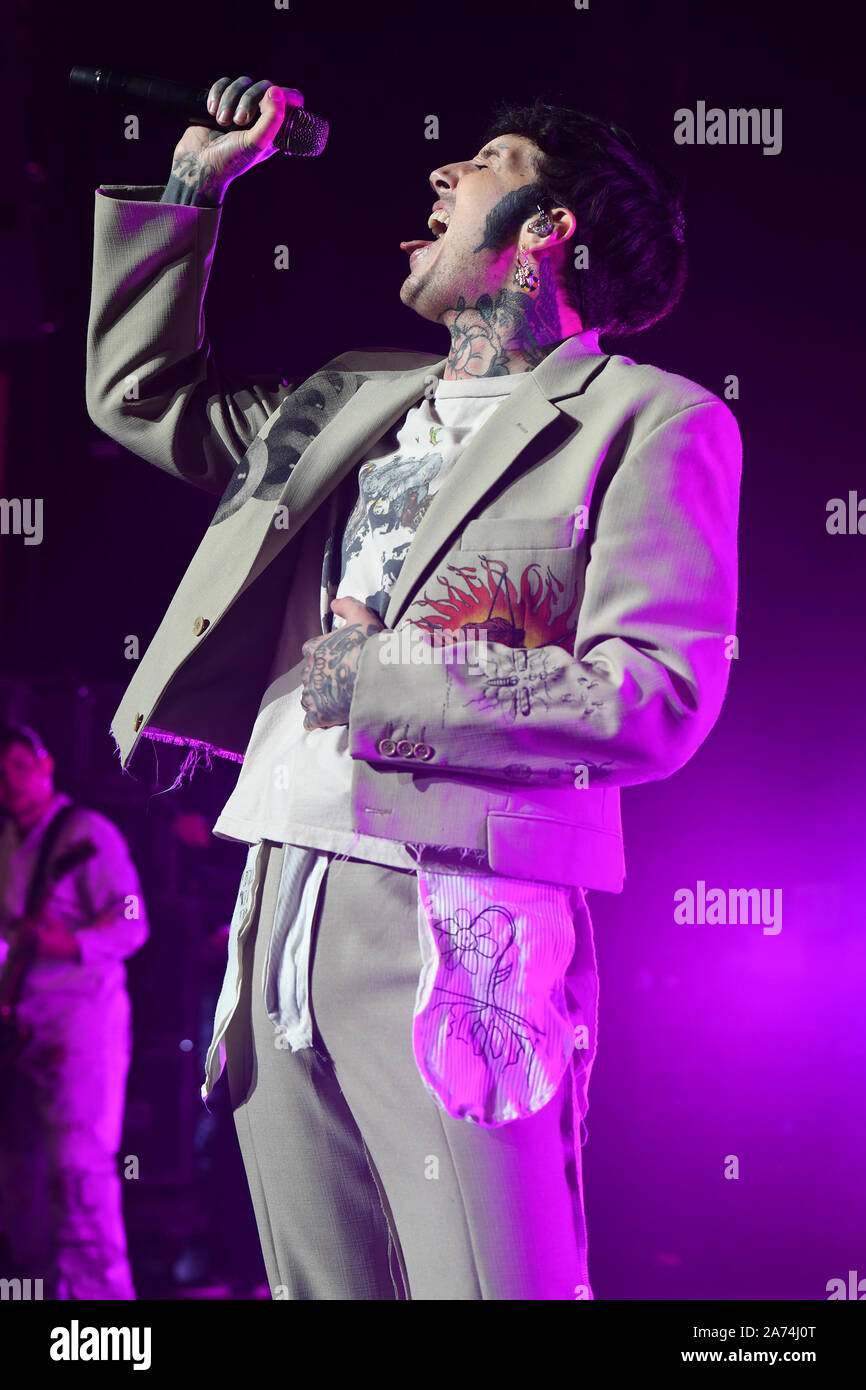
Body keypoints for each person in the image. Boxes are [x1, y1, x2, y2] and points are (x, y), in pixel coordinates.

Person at [85, 79, 742, 1299]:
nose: (441, 176)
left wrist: (376, 678)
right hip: (277, 887)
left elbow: (650, 696)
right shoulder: (349, 399)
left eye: (483, 162)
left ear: (546, 229)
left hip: (462, 912)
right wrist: (191, 191)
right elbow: (142, 399)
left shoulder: (651, 421)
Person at [0, 723, 149, 1299]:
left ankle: (104, 1315)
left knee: (80, 1173)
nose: (10, 782)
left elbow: (134, 918)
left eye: (19, 765)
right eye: (0, 772)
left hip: (81, 1024)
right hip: (22, 1028)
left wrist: (69, 943)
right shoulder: (9, 842)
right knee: (23, 1182)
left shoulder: (87, 831)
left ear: (46, 766)